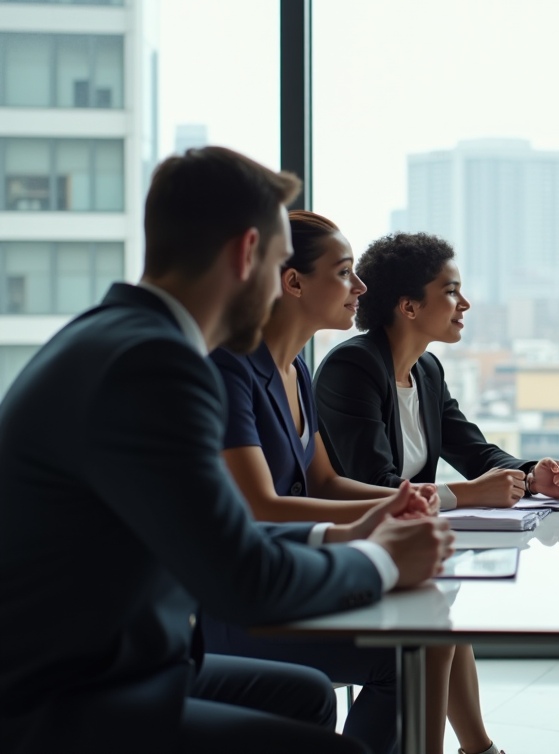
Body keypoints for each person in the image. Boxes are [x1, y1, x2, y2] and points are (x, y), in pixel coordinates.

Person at [0, 147, 453, 754]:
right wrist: (386, 562)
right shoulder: (156, 365)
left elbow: (219, 528)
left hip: (124, 658)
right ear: (248, 255)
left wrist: (341, 537)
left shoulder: (121, 337)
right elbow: (242, 577)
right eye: (274, 264)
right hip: (70, 699)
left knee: (310, 698)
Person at [207, 210, 501, 754]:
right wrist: (386, 516)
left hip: (289, 569)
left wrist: (405, 503)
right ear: (292, 282)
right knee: (421, 642)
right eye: (344, 273)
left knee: (434, 621)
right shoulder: (232, 368)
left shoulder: (295, 369)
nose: (361, 288)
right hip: (240, 597)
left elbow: (324, 481)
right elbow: (259, 507)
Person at [314, 231, 559, 505]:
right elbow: (374, 484)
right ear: (409, 306)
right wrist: (470, 493)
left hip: (409, 529)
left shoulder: (427, 369)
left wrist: (531, 477)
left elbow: (474, 452)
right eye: (451, 292)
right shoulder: (351, 367)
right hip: (355, 534)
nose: (465, 304)